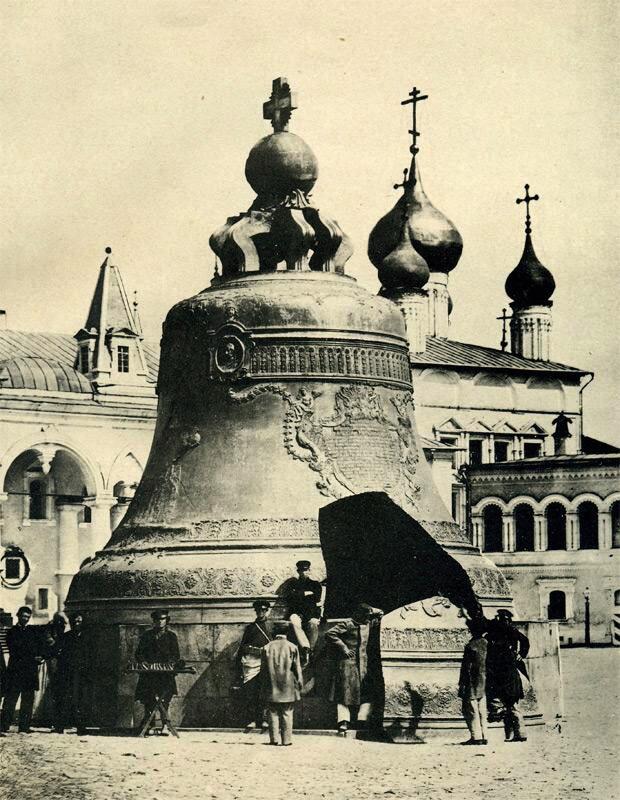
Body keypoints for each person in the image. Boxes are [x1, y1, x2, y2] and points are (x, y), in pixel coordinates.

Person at [324, 603, 383, 735]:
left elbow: (381, 614)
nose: (368, 617)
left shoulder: (368, 623)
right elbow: (330, 634)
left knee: (365, 691)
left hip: (363, 663)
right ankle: (343, 722)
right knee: (344, 692)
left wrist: (373, 609)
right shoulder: (347, 623)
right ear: (359, 614)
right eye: (366, 615)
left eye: (369, 615)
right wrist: (344, 648)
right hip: (348, 663)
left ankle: (362, 720)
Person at [486, 609, 530, 742]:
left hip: (507, 677)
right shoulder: (497, 635)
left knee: (511, 705)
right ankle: (511, 734)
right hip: (505, 676)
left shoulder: (506, 634)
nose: (501, 621)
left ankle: (520, 733)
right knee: (509, 706)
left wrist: (520, 655)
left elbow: (525, 641)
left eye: (503, 619)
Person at [134, 610, 180, 732]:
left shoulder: (171, 636)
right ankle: (150, 724)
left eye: (162, 620)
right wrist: (143, 662)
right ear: (153, 621)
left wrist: (169, 663)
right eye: (157, 620)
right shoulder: (146, 636)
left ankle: (165, 725)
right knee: (148, 698)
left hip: (165, 674)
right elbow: (139, 653)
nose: (159, 622)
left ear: (166, 621)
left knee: (164, 699)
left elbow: (176, 655)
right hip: (149, 673)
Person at [260, 620, 303, 746]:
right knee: (287, 712)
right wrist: (300, 681)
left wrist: (263, 685)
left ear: (274, 632)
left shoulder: (267, 647)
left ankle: (274, 739)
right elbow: (297, 667)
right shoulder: (292, 647)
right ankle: (287, 740)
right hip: (287, 685)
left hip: (271, 684)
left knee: (272, 712)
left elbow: (263, 670)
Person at [1, 606, 43, 733]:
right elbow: (15, 650)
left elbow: (36, 647)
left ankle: (24, 726)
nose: (25, 619)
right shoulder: (12, 632)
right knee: (11, 698)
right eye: (23, 616)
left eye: (27, 617)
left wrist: (38, 656)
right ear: (18, 616)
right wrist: (31, 656)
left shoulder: (32, 632)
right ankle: (3, 725)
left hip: (29, 671)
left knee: (28, 699)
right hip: (16, 671)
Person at [235, 600, 273, 731]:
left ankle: (263, 719)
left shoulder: (272, 626)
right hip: (252, 663)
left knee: (264, 691)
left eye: (263, 610)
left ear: (267, 610)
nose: (261, 612)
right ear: (256, 611)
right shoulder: (251, 628)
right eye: (258, 610)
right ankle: (251, 719)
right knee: (251, 692)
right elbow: (243, 646)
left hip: (267, 662)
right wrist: (254, 650)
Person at [57, 612, 92, 735]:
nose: (77, 624)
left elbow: (91, 656)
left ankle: (80, 726)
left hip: (82, 673)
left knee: (81, 700)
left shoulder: (88, 638)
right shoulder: (66, 637)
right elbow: (59, 654)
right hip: (68, 673)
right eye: (74, 622)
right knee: (65, 698)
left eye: (79, 621)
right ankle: (60, 725)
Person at [282, 560, 322, 656]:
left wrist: (298, 594)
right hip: (297, 612)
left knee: (313, 624)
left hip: (311, 612)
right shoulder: (293, 584)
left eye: (306, 570)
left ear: (309, 571)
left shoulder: (315, 584)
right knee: (294, 620)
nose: (304, 573)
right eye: (301, 571)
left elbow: (317, 598)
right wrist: (306, 593)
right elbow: (289, 597)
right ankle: (305, 647)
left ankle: (310, 650)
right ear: (298, 571)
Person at [458, 617, 488, 745]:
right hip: (485, 679)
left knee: (471, 709)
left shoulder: (470, 646)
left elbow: (466, 667)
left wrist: (462, 683)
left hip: (472, 680)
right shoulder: (487, 643)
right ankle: (484, 735)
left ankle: (476, 737)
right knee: (482, 709)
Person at [43, 613, 67, 733]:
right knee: (57, 693)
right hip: (55, 663)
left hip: (64, 665)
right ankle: (57, 723)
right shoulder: (50, 630)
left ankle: (61, 722)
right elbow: (51, 642)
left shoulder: (62, 631)